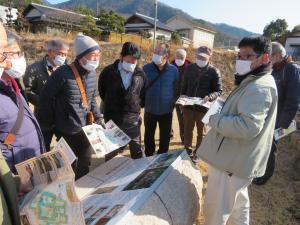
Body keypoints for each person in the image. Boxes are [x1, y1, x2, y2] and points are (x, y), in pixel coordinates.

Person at [197, 37, 278, 225]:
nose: (241, 60)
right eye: (239, 55)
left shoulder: (259, 86)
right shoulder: (256, 79)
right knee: (238, 206)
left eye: (248, 56)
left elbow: (247, 127)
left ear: (265, 57)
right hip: (239, 160)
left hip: (232, 162)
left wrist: (215, 118)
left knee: (216, 210)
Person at [38, 34, 102, 180]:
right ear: (82, 56)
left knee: (86, 161)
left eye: (98, 55)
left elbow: (91, 100)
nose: (96, 59)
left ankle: (80, 189)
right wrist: (50, 124)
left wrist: (99, 117)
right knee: (68, 166)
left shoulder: (93, 74)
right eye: (93, 55)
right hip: (66, 130)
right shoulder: (62, 73)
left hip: (86, 129)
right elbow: (45, 99)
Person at [253, 42, 300, 185]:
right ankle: (259, 169)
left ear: (278, 55)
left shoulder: (292, 70)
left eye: (270, 57)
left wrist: (282, 126)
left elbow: (293, 101)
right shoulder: (276, 67)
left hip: (280, 119)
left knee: (271, 146)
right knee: (264, 144)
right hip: (270, 115)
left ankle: (265, 176)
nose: (268, 59)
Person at [0, 34, 45, 172]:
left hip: (29, 162)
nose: (21, 58)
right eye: (16, 53)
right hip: (13, 169)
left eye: (21, 53)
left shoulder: (13, 83)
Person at [98, 42, 146, 159]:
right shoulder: (108, 72)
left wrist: (134, 106)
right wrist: (111, 104)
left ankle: (137, 174)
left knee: (137, 150)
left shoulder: (140, 74)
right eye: (128, 61)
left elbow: (143, 94)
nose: (131, 64)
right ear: (121, 57)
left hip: (132, 119)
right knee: (111, 152)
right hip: (112, 118)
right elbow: (102, 91)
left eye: (134, 61)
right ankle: (110, 175)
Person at [23, 39, 69, 151]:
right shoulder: (34, 69)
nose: (63, 57)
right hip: (43, 116)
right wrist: (41, 101)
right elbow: (26, 90)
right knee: (44, 147)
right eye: (60, 53)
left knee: (66, 148)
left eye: (65, 54)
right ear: (49, 51)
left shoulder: (68, 69)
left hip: (63, 116)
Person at [181, 46, 222, 159]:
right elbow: (184, 86)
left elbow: (219, 90)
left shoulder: (214, 71)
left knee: (201, 133)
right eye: (199, 56)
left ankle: (197, 154)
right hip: (189, 107)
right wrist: (182, 100)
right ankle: (187, 151)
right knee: (187, 130)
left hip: (203, 108)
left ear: (209, 57)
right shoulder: (190, 68)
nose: (200, 59)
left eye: (204, 57)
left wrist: (210, 96)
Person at [143, 43, 179, 156]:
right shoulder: (146, 68)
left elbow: (177, 88)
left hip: (166, 111)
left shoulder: (173, 70)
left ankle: (162, 154)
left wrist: (173, 101)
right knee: (148, 135)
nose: (155, 55)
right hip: (150, 109)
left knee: (165, 136)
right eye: (155, 52)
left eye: (159, 53)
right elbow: (141, 87)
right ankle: (149, 154)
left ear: (167, 56)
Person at [171, 48, 190, 144]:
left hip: (182, 97)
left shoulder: (190, 67)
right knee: (168, 117)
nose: (179, 59)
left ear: (185, 57)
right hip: (170, 96)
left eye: (182, 57)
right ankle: (169, 134)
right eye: (178, 57)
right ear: (175, 56)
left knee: (182, 119)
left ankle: (183, 138)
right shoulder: (169, 65)